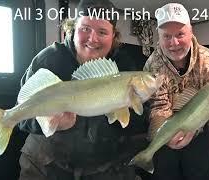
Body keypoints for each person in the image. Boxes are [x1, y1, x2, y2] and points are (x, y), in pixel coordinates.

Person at [18, 0, 148, 180]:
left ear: (113, 37)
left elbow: (137, 122)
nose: (92, 39)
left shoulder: (125, 66)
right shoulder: (48, 60)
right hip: (46, 164)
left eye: (102, 32)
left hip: (104, 167)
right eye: (85, 28)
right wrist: (52, 123)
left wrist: (129, 110)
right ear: (72, 28)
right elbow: (22, 118)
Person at [143, 3, 209, 180]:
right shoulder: (152, 64)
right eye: (167, 36)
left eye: (180, 34)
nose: (174, 43)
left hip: (201, 124)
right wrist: (170, 134)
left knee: (198, 172)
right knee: (165, 172)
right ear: (159, 37)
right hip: (167, 122)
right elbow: (157, 105)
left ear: (191, 32)